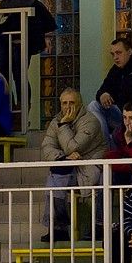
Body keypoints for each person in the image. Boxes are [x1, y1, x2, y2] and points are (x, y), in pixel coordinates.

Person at [41, 88, 106, 242]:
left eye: (72, 103)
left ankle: (98, 226)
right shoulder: (56, 121)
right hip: (69, 167)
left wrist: (64, 125)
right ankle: (59, 228)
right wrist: (63, 157)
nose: (68, 107)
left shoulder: (90, 121)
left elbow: (74, 147)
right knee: (54, 179)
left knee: (95, 180)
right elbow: (47, 147)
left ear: (80, 104)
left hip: (89, 166)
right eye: (64, 103)